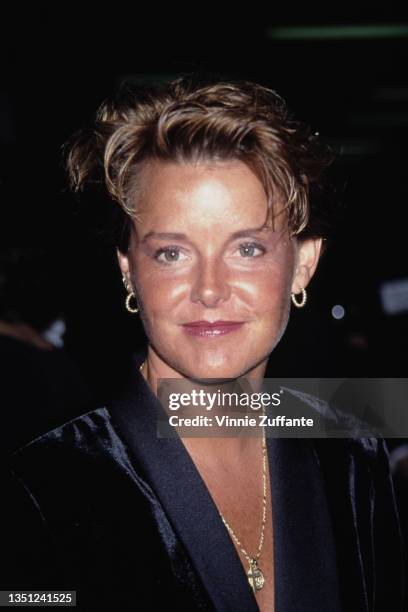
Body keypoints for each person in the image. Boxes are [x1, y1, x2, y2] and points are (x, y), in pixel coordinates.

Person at [0, 73, 405, 611]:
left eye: (248, 249)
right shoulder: (45, 485)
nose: (209, 290)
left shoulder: (351, 452)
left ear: (303, 265)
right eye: (172, 252)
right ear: (129, 271)